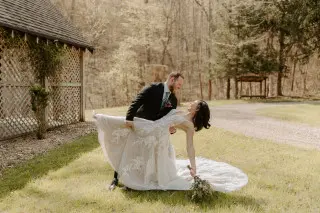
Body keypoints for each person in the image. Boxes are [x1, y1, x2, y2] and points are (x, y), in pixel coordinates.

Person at [93, 100, 248, 192]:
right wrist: (169, 128)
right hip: (152, 128)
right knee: (125, 124)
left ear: (197, 108)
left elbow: (190, 147)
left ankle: (101, 119)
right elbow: (166, 121)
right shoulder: (181, 112)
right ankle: (102, 119)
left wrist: (193, 168)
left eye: (195, 102)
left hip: (155, 136)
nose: (192, 101)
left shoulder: (188, 125)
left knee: (128, 128)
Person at [109, 72, 184, 190]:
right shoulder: (153, 88)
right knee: (127, 151)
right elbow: (136, 101)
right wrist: (129, 119)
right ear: (171, 79)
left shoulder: (173, 100)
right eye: (178, 84)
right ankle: (115, 179)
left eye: (181, 85)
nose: (179, 87)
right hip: (138, 124)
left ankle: (134, 181)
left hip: (151, 132)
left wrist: (170, 128)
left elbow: (167, 118)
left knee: (142, 157)